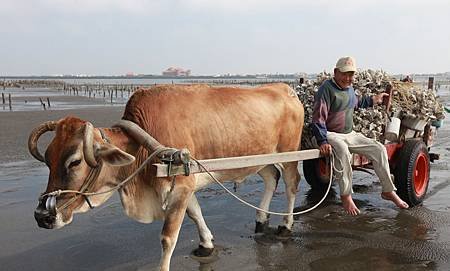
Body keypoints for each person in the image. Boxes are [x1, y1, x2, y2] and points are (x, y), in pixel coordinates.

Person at [311, 56, 409, 215]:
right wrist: (322, 141)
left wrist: (374, 99)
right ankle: (346, 195)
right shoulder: (326, 89)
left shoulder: (349, 89)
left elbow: (357, 103)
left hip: (349, 134)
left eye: (351, 75)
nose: (348, 78)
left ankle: (388, 190)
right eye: (344, 74)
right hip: (330, 134)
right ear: (335, 72)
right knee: (342, 149)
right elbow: (318, 118)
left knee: (378, 148)